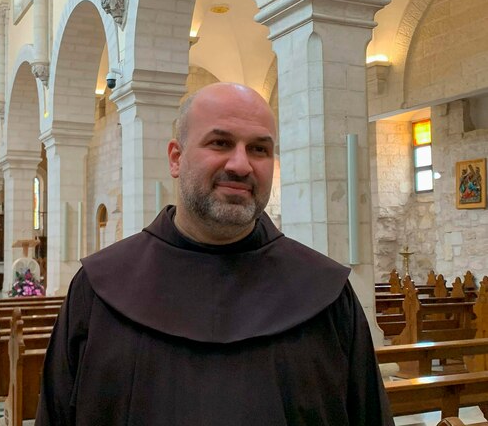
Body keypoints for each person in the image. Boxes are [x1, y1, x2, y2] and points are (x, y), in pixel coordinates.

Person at [36, 83, 392, 425]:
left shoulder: (325, 294)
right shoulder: (99, 289)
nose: (241, 165)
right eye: (220, 143)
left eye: (259, 149)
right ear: (176, 158)